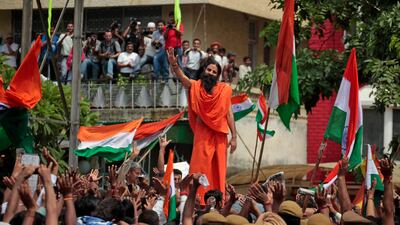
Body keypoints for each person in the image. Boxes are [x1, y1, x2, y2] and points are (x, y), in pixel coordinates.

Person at [167, 47, 237, 204]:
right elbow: (182, 77)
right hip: (203, 135)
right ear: (204, 70)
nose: (211, 73)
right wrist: (174, 64)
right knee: (200, 168)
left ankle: (218, 201)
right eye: (209, 70)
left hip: (220, 135)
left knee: (218, 169)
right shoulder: (195, 86)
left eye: (214, 72)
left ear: (217, 75)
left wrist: (234, 137)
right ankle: (198, 200)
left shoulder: (225, 90)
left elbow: (229, 114)